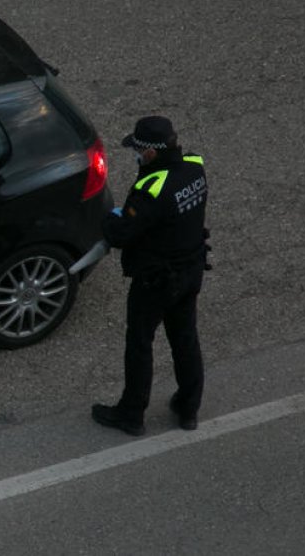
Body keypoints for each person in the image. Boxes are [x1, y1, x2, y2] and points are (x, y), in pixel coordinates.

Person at [93, 115, 210, 435]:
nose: (135, 154)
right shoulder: (194, 167)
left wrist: (108, 220)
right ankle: (189, 408)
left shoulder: (150, 188)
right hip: (192, 269)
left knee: (140, 343)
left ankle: (131, 414)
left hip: (157, 281)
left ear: (151, 154)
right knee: (185, 338)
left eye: (138, 149)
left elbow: (121, 234)